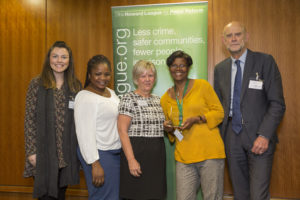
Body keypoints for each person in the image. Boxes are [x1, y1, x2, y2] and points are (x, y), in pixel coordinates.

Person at [214, 21, 286, 200]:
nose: (234, 39)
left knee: (258, 195)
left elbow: (277, 103)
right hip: (231, 136)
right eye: (229, 36)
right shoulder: (220, 69)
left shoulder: (264, 61)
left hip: (259, 135)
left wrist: (264, 135)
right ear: (224, 41)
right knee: (240, 194)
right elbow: (217, 106)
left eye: (238, 34)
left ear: (246, 37)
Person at [161, 50, 226, 200]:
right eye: (174, 65)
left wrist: (197, 118)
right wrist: (169, 129)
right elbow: (173, 132)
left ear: (188, 68)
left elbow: (219, 113)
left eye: (182, 65)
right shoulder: (165, 98)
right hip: (184, 157)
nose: (178, 69)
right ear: (169, 68)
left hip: (210, 154)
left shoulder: (202, 86)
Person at [24, 41, 81, 199]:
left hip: (66, 155)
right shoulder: (36, 84)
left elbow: (79, 121)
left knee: (61, 194)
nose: (59, 60)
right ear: (49, 58)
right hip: (43, 153)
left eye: (64, 57)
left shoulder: (76, 86)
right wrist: (31, 151)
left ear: (69, 61)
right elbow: (29, 119)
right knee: (46, 195)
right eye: (55, 56)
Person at [74, 55, 121, 200]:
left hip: (115, 153)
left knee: (114, 196)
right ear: (89, 75)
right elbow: (84, 133)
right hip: (100, 155)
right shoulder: (85, 97)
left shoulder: (111, 93)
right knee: (103, 197)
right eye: (98, 74)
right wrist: (95, 163)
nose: (103, 78)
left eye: (107, 74)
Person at [117, 60, 166, 200]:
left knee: (155, 195)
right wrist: (131, 160)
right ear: (136, 79)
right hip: (136, 154)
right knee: (135, 195)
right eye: (143, 76)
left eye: (150, 75)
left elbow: (160, 126)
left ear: (155, 78)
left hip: (156, 158)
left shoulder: (158, 100)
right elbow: (122, 131)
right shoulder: (128, 98)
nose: (147, 79)